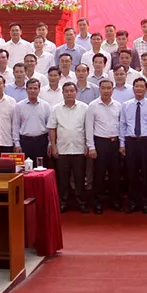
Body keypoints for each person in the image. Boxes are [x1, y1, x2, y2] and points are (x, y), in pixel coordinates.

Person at [48, 82, 90, 213]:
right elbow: (52, 129)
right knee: (63, 179)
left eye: (72, 91)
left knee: (79, 178)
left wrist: (87, 145)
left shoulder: (84, 108)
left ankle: (81, 202)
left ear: (76, 92)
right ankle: (63, 202)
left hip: (79, 149)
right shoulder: (56, 109)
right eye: (66, 91)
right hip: (62, 149)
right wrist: (53, 146)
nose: (69, 93)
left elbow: (88, 128)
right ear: (62, 93)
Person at [120, 78, 147, 214]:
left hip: (146, 141)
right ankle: (132, 202)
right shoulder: (126, 105)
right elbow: (123, 124)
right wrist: (122, 143)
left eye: (142, 86)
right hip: (130, 141)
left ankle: (145, 202)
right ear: (133, 88)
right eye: (136, 86)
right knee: (131, 173)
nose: (139, 89)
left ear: (146, 89)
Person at [86, 79, 123, 214]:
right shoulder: (93, 106)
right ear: (99, 89)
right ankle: (98, 203)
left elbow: (121, 126)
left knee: (115, 175)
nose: (106, 91)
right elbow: (89, 127)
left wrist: (122, 144)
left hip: (115, 143)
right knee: (99, 175)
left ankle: (115, 201)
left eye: (109, 88)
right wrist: (91, 147)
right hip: (100, 143)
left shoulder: (118, 105)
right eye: (103, 88)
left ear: (113, 89)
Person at [13, 79, 51, 162]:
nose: (32, 91)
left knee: (41, 167)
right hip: (25, 142)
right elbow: (16, 126)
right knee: (26, 168)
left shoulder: (46, 106)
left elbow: (49, 127)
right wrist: (17, 144)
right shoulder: (19, 106)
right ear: (26, 90)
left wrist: (50, 143)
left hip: (42, 142)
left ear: (39, 90)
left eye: (35, 88)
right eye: (30, 88)